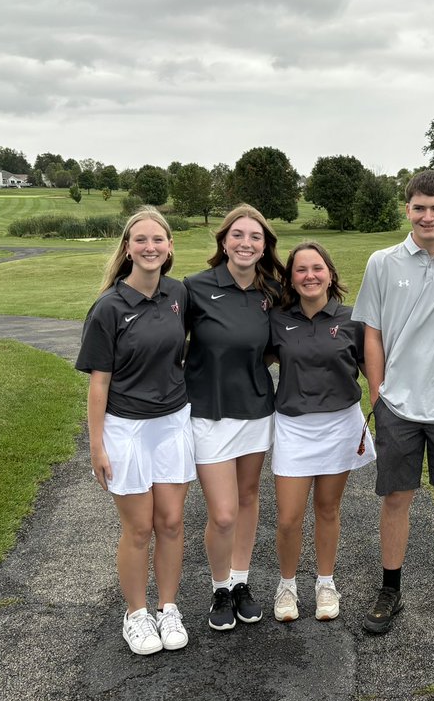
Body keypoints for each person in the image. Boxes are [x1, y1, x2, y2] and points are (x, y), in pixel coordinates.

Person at [351, 169, 434, 634]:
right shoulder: (382, 262)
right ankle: (391, 589)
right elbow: (373, 332)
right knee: (397, 498)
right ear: (407, 209)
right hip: (398, 404)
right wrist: (378, 391)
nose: (428, 216)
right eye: (419, 207)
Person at [75, 208, 194, 656]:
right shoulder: (109, 307)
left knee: (171, 521)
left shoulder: (178, 294)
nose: (150, 248)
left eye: (158, 240)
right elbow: (98, 383)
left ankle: (168, 608)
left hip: (172, 423)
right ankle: (136, 614)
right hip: (125, 429)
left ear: (169, 246)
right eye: (140, 240)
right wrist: (97, 445)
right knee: (139, 527)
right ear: (128, 248)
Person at [183, 204, 284, 632]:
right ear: (224, 241)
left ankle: (241, 583)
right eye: (238, 235)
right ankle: (219, 587)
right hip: (209, 412)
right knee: (223, 513)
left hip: (256, 409)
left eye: (255, 237)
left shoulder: (272, 293)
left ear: (265, 246)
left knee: (247, 499)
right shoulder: (194, 288)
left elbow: (281, 344)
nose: (246, 243)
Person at [268, 241, 376, 622]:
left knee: (328, 509)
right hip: (294, 427)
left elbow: (372, 370)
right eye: (301, 270)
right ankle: (286, 586)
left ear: (330, 274)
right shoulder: (278, 319)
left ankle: (325, 583)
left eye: (317, 268)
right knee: (288, 517)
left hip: (339, 425)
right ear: (291, 279)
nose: (310, 275)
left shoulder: (353, 319)